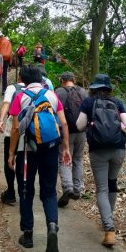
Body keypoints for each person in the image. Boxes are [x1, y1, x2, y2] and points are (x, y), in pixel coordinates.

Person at [8, 65, 71, 252]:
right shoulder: (51, 95)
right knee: (49, 190)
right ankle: (52, 226)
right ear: (40, 78)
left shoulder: (20, 96)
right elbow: (64, 123)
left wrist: (11, 153)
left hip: (27, 151)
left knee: (26, 190)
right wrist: (66, 148)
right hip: (51, 148)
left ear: (23, 79)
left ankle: (28, 235)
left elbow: (16, 128)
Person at [76, 73, 126, 247]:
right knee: (112, 184)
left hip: (98, 150)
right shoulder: (117, 103)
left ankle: (109, 229)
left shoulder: (88, 102)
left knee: (101, 189)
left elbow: (79, 125)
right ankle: (108, 219)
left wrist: (90, 126)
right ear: (109, 88)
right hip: (118, 149)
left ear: (93, 88)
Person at [55, 71, 87, 207]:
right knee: (78, 159)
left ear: (62, 80)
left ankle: (68, 187)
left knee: (64, 159)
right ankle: (77, 188)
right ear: (74, 80)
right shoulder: (83, 92)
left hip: (65, 131)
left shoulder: (58, 92)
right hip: (82, 131)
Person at [0, 75, 26, 205]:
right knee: (23, 160)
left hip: (12, 128)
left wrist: (1, 120)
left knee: (9, 159)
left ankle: (10, 192)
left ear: (19, 77)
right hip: (29, 130)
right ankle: (23, 192)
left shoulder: (12, 88)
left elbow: (6, 104)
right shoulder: (38, 90)